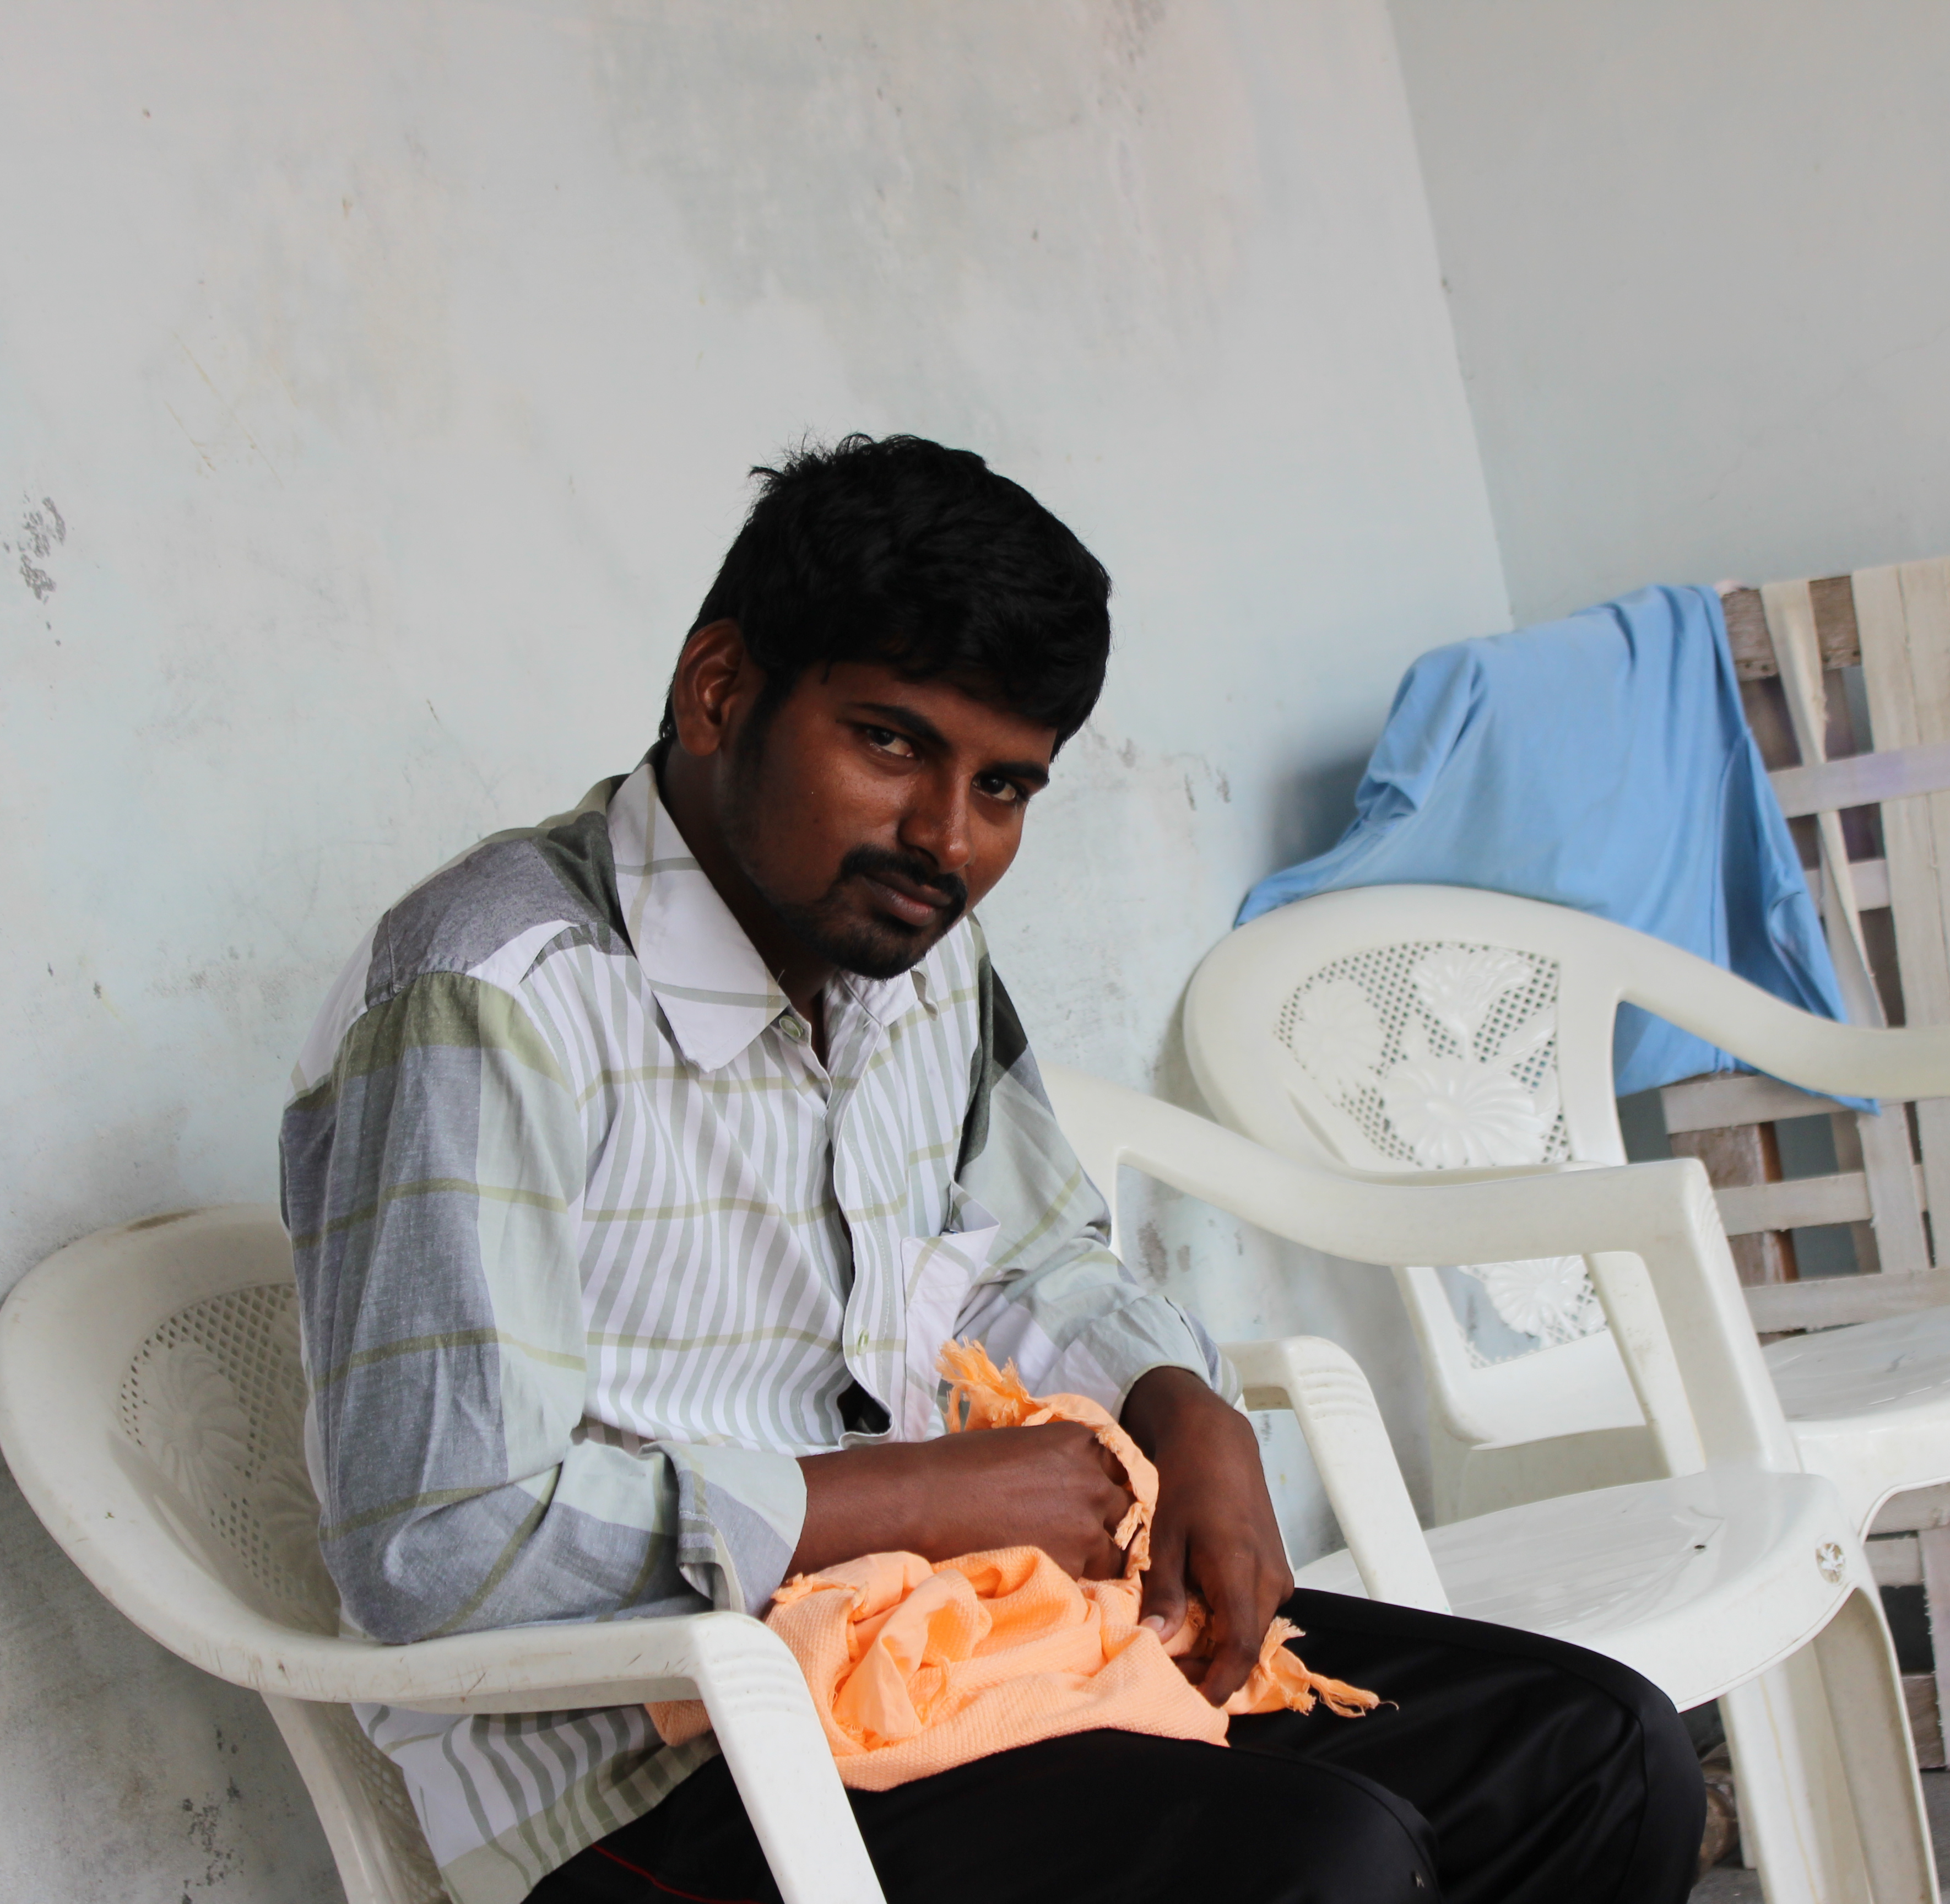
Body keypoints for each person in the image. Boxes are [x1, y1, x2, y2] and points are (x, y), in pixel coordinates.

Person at [280, 435, 1706, 1904]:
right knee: (1324, 1861)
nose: (945, 839)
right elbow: (441, 1541)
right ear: (718, 690)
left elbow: (1029, 1257)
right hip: (649, 1774)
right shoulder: (492, 998)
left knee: (1597, 1755)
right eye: (890, 744)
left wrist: (1177, 1398)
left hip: (956, 1647)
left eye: (1007, 786)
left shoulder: (913, 962)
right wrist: (912, 1497)